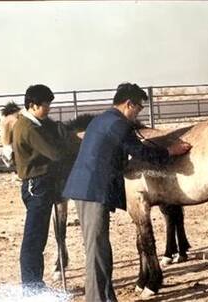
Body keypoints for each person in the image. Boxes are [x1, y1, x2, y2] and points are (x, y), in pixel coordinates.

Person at [62, 82, 192, 302]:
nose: (138, 113)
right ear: (128, 104)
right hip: (93, 189)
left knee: (98, 247)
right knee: (97, 248)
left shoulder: (102, 119)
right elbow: (140, 152)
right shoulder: (118, 124)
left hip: (86, 188)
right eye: (139, 108)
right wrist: (171, 151)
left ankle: (104, 297)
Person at [12, 84, 66, 292]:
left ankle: (33, 283)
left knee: (37, 236)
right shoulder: (30, 128)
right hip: (38, 185)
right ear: (33, 105)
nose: (49, 109)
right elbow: (55, 154)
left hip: (36, 184)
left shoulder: (27, 123)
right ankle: (32, 286)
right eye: (46, 105)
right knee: (34, 238)